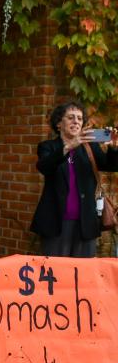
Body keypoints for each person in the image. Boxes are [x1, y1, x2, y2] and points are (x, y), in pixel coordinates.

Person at [31, 101, 118, 257]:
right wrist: (69, 146)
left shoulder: (90, 147)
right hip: (55, 223)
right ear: (59, 124)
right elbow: (44, 167)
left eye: (79, 118)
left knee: (83, 275)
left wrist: (113, 147)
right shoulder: (48, 147)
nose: (76, 121)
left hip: (85, 224)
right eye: (71, 117)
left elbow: (110, 166)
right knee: (55, 273)